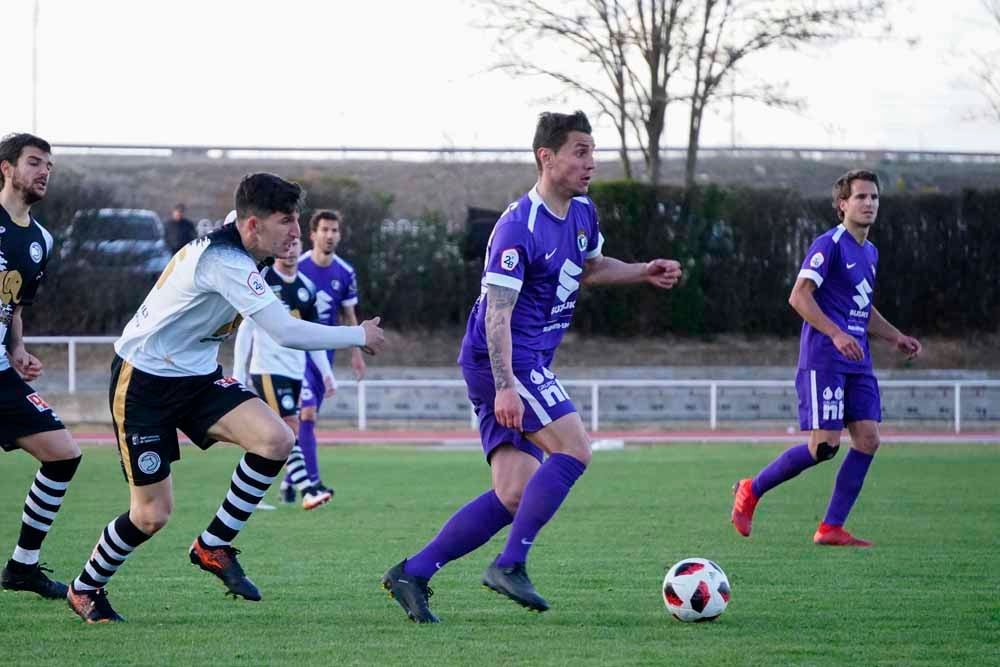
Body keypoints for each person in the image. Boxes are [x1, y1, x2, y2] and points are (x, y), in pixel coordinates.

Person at [381, 111, 683, 623]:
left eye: (593, 151)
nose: (592, 163)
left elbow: (589, 268)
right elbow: (497, 314)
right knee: (575, 450)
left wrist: (642, 272)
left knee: (514, 492)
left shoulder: (582, 212)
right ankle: (510, 563)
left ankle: (414, 571)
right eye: (581, 152)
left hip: (526, 358)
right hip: (505, 358)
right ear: (547, 157)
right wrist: (506, 387)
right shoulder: (517, 227)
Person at [66, 173, 385, 624]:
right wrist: (358, 334)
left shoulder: (243, 236)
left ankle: (212, 545)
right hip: (144, 382)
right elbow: (285, 330)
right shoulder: (225, 261)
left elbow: (242, 206)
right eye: (286, 221)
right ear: (253, 226)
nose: (296, 232)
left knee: (276, 439)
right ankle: (84, 588)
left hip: (197, 376)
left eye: (297, 220)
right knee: (152, 515)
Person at [731, 169, 921, 548]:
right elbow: (799, 296)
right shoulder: (829, 244)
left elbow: (862, 308)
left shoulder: (870, 252)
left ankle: (831, 527)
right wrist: (835, 333)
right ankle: (752, 489)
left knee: (868, 439)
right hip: (825, 358)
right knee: (825, 447)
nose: (869, 204)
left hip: (858, 361)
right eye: (861, 197)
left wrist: (895, 336)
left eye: (874, 198)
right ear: (842, 205)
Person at [0, 133, 84, 601]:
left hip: (0, 373)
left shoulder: (42, 240)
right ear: (6, 168)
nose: (44, 172)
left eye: (49, 165)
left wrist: (17, 349)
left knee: (63, 453)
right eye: (34, 162)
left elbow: (15, 304)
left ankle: (22, 567)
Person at [232, 234, 337, 510]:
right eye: (286, 245)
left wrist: (327, 374)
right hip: (267, 368)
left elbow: (314, 337)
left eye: (295, 246)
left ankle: (251, 494)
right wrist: (238, 374)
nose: (290, 250)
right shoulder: (264, 283)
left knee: (273, 435)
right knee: (289, 428)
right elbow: (246, 329)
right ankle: (308, 489)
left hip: (294, 371)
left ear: (301, 249)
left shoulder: (307, 288)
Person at [289, 210, 365, 501]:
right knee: (305, 414)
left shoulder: (345, 272)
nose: (330, 235)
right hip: (296, 354)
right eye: (325, 230)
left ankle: (291, 480)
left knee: (307, 418)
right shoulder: (298, 266)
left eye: (335, 230)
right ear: (313, 234)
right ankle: (312, 482)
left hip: (326, 356)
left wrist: (356, 355)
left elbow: (349, 316)